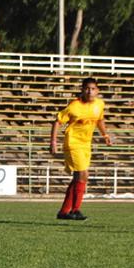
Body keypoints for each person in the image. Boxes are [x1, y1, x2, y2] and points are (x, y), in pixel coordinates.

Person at [50, 77, 111, 221]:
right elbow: (57, 121)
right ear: (82, 90)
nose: (90, 91)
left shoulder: (99, 104)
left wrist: (105, 134)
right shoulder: (74, 106)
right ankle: (75, 210)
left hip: (86, 144)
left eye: (93, 89)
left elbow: (100, 119)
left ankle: (64, 212)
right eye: (87, 88)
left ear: (97, 90)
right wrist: (53, 141)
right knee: (83, 174)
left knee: (78, 177)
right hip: (73, 143)